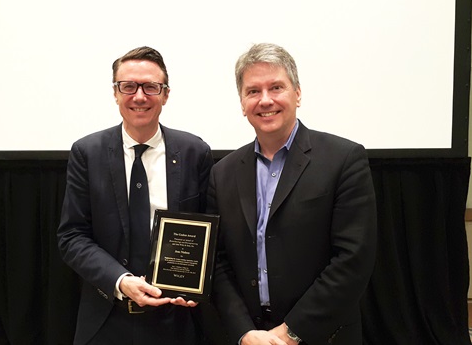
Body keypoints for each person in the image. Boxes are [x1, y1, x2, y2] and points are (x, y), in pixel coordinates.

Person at [207, 43, 377, 345]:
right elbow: (218, 263)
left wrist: (290, 333)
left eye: (276, 87)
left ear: (297, 93)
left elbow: (352, 260)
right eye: (253, 91)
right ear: (242, 102)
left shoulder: (343, 159)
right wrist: (245, 333)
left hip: (322, 336)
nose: (265, 100)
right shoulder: (224, 173)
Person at [57, 46, 214, 345]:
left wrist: (193, 284)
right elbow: (72, 236)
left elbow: (209, 233)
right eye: (128, 86)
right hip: (107, 318)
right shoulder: (87, 153)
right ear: (115, 93)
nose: (139, 96)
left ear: (165, 94)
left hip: (177, 321)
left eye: (151, 87)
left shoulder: (195, 152)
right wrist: (121, 281)